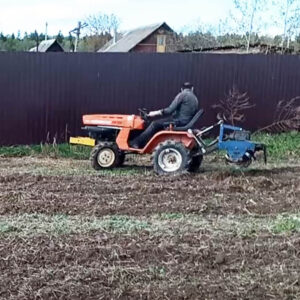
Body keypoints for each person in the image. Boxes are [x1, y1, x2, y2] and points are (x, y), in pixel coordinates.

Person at [130, 82, 199, 148]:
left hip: (179, 121)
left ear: (181, 89)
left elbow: (169, 110)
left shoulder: (182, 95)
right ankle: (147, 143)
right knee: (160, 124)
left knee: (155, 124)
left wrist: (154, 113)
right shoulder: (195, 98)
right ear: (192, 88)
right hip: (186, 121)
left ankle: (136, 142)